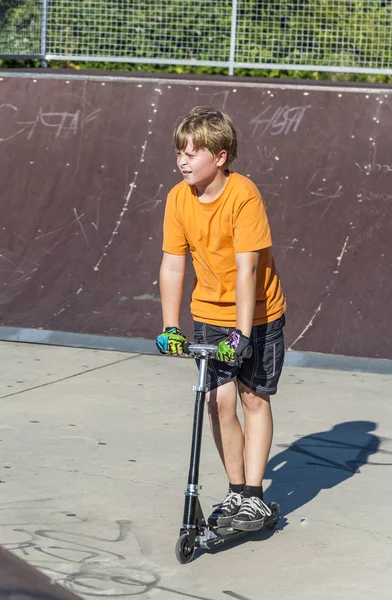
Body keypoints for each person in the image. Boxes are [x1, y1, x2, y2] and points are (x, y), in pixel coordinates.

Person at [156, 106, 286, 532]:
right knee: (217, 401)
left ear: (221, 156)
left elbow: (248, 269)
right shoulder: (179, 198)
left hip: (258, 313)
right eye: (180, 152)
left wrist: (243, 334)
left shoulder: (243, 194)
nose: (183, 161)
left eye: (193, 153)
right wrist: (169, 326)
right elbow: (173, 265)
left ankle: (254, 496)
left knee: (252, 398)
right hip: (209, 312)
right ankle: (235, 491)